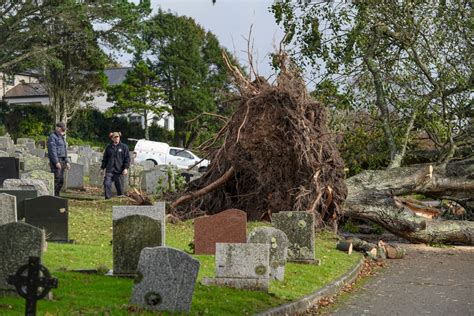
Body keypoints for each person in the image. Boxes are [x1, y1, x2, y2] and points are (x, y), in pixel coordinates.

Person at [100, 132, 130, 199]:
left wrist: (126, 168)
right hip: (109, 170)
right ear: (112, 138)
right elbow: (105, 159)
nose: (117, 138)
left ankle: (120, 198)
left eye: (118, 137)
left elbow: (127, 159)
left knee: (120, 187)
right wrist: (102, 168)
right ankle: (108, 198)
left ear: (119, 138)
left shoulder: (124, 147)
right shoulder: (108, 147)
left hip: (119, 170)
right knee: (107, 183)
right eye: (115, 137)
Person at [47, 122, 70, 196]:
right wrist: (56, 162)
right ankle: (53, 196)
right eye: (63, 129)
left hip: (62, 161)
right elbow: (52, 151)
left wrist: (67, 161)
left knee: (61, 181)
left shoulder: (62, 137)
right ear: (58, 128)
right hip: (57, 161)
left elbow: (64, 150)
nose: (64, 131)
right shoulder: (52, 137)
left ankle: (56, 195)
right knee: (56, 180)